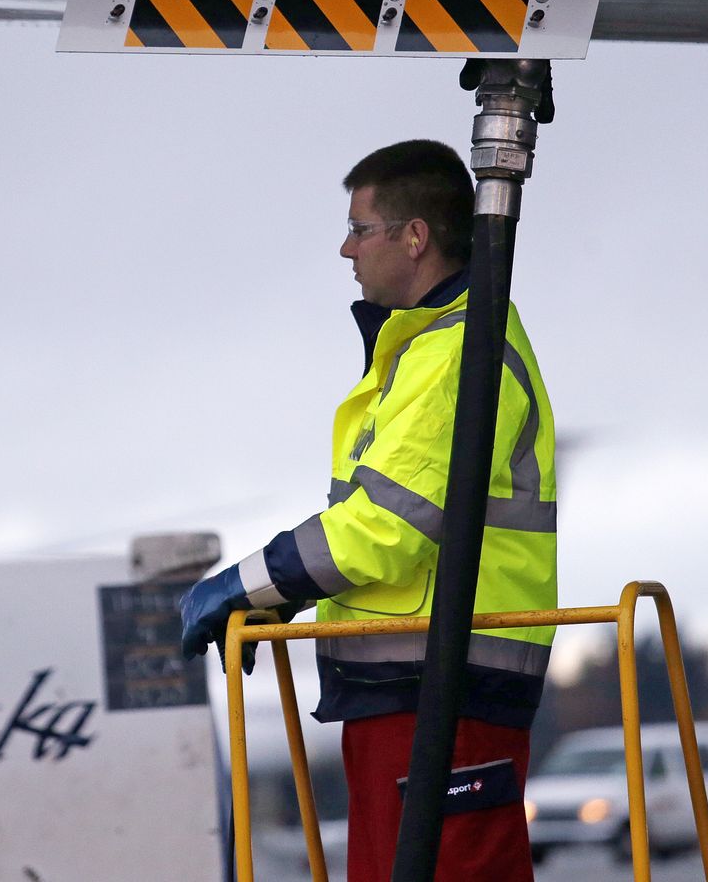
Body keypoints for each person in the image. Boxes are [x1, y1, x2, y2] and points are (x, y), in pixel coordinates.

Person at [179, 139, 558, 882]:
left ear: (414, 237)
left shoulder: (453, 355)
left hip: (444, 688)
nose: (344, 248)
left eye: (360, 228)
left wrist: (249, 585)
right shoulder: (432, 349)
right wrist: (289, 595)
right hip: (415, 687)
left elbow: (387, 527)